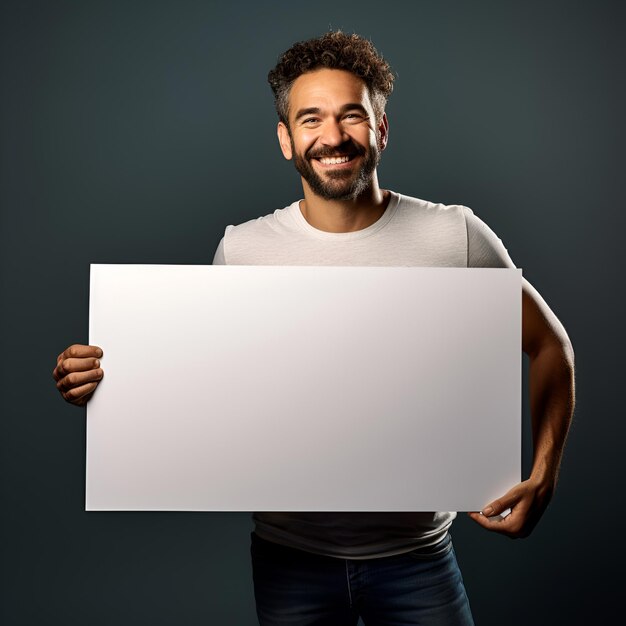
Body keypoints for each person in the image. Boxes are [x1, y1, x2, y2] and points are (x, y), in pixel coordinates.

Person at [52, 31, 575, 626]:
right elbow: (206, 389)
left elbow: (549, 346)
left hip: (419, 560)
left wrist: (545, 474)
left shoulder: (453, 236)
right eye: (310, 119)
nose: (332, 136)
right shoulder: (243, 249)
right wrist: (104, 382)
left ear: (381, 128)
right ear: (285, 139)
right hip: (288, 561)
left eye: (352, 115)